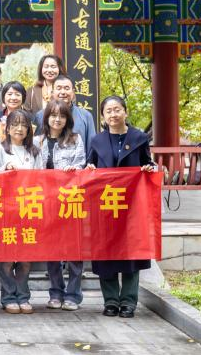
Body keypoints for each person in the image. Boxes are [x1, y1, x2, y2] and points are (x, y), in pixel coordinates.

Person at [85, 95, 159, 319]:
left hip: (132, 207)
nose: (113, 114)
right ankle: (110, 301)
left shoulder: (139, 138)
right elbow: (90, 165)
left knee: (131, 254)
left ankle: (128, 301)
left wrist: (149, 168)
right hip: (105, 205)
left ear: (125, 112)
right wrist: (89, 168)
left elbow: (148, 163)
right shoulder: (97, 141)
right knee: (105, 253)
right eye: (108, 111)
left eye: (117, 109)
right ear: (102, 116)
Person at [0, 108, 39, 314]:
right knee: (7, 259)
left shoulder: (35, 151)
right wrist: (4, 170)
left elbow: (42, 179)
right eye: (15, 124)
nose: (19, 128)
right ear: (7, 128)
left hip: (28, 210)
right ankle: (8, 297)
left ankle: (23, 296)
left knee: (25, 259)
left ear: (29, 129)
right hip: (6, 212)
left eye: (24, 125)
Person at [40, 99, 86, 312]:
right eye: (53, 115)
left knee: (74, 249)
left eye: (62, 115)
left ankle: (73, 295)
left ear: (67, 119)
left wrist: (71, 171)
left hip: (70, 200)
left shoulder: (75, 139)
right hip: (47, 203)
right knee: (52, 251)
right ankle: (56, 292)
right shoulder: (39, 141)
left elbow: (80, 164)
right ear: (46, 118)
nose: (57, 119)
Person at [52, 74, 97, 145]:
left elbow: (92, 146)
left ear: (73, 92)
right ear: (52, 92)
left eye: (67, 88)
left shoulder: (86, 116)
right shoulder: (41, 115)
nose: (63, 92)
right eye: (59, 88)